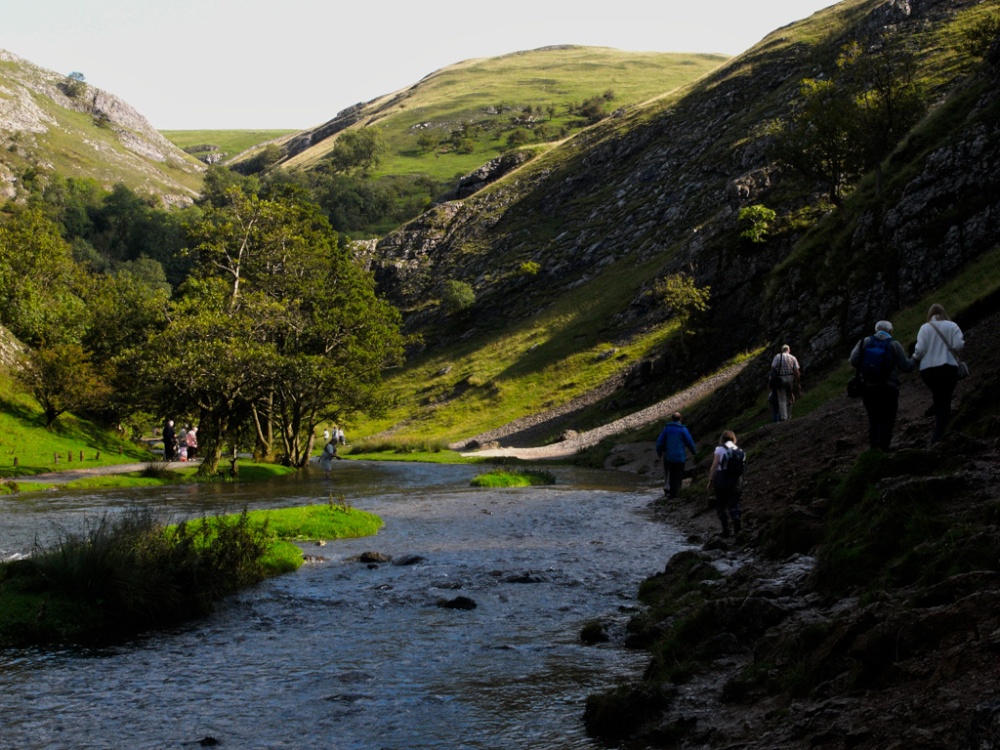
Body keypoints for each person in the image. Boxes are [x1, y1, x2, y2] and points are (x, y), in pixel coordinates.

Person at [849, 320, 913, 451]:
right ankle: (884, 449)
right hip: (889, 388)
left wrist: (866, 369)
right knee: (888, 419)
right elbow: (906, 366)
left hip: (869, 387)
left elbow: (853, 360)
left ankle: (873, 450)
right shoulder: (894, 345)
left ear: (876, 330)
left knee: (873, 419)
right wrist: (916, 358)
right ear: (890, 331)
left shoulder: (865, 342)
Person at [912, 303, 965, 444]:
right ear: (943, 312)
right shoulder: (952, 326)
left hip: (928, 369)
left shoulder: (924, 328)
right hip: (948, 366)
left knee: (937, 396)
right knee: (946, 398)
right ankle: (941, 432)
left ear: (930, 314)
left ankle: (939, 432)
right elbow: (959, 344)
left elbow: (920, 349)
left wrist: (914, 359)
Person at [707, 430, 745, 537]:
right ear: (734, 438)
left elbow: (714, 466)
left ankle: (725, 530)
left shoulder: (719, 449)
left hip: (721, 479)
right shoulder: (739, 450)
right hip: (736, 480)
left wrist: (710, 481)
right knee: (734, 504)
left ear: (722, 439)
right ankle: (737, 527)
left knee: (721, 504)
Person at [654, 412, 697, 499]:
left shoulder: (666, 429)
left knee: (671, 474)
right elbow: (690, 442)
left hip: (669, 457)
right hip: (680, 457)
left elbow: (659, 443)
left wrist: (659, 453)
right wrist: (693, 452)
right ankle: (676, 494)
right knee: (678, 475)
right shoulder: (683, 429)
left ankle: (671, 493)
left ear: (672, 419)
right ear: (680, 419)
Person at [770, 344, 800, 421]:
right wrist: (798, 380)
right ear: (788, 350)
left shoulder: (777, 356)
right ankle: (789, 416)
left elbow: (773, 366)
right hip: (790, 378)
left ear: (782, 350)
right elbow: (796, 370)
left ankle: (784, 417)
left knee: (782, 398)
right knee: (790, 396)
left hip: (780, 378)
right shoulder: (793, 357)